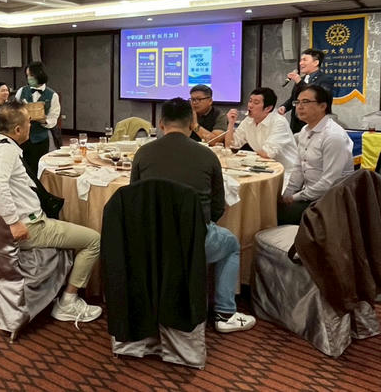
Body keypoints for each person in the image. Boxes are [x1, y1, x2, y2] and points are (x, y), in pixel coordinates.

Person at [131, 97, 256, 334]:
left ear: (161, 123)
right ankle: (225, 313)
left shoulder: (143, 154)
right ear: (191, 124)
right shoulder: (207, 156)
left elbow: (134, 198)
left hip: (150, 240)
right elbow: (217, 206)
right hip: (194, 240)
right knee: (230, 244)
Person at [0, 100, 101, 325]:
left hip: (12, 226)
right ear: (18, 129)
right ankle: (68, 302)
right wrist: (13, 221)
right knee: (93, 240)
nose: (31, 125)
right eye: (29, 122)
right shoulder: (6, 152)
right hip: (32, 227)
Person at [278, 85, 354, 225]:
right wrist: (288, 194)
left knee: (276, 213)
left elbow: (329, 184)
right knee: (273, 204)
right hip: (311, 194)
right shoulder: (304, 131)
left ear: (323, 106)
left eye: (305, 102)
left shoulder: (333, 136)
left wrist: (294, 198)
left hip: (331, 201)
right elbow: (299, 168)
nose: (299, 107)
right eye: (297, 102)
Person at [225, 87, 298, 172]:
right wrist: (231, 123)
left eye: (256, 103)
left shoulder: (279, 122)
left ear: (268, 108)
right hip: (262, 168)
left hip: (286, 172)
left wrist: (246, 156)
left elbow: (267, 153)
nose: (250, 105)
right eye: (250, 101)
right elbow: (230, 145)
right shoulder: (248, 121)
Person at [15, 61, 61, 173]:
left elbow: (54, 117)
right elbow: (14, 110)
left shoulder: (53, 95)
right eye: (27, 76)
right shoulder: (22, 91)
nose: (29, 78)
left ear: (39, 75)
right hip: (21, 139)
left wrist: (44, 121)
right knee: (21, 169)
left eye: (31, 75)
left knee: (38, 170)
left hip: (40, 139)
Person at [278, 48, 335, 134]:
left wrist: (299, 82)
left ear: (316, 63)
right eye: (300, 60)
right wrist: (284, 107)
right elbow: (294, 99)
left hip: (314, 125)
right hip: (296, 125)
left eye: (304, 60)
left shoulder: (326, 79)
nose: (301, 63)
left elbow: (319, 97)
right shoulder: (301, 79)